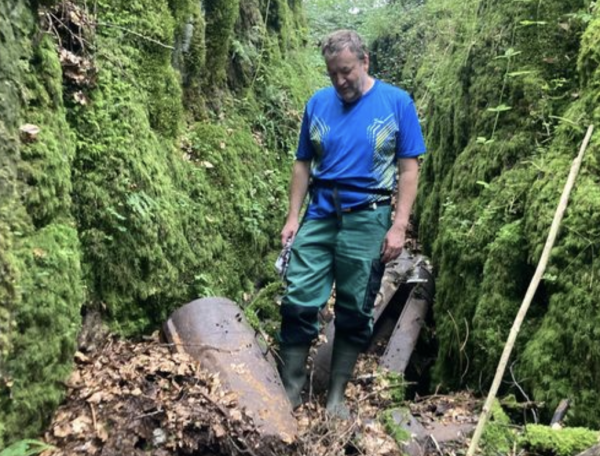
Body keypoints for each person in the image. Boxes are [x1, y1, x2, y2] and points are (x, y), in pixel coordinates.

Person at [278, 29, 426, 418]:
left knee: (355, 308)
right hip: (321, 212)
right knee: (297, 300)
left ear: (365, 61)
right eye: (332, 74)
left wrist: (399, 226)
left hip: (369, 215)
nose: (340, 81)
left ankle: (336, 397)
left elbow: (409, 169)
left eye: (345, 71)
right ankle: (290, 391)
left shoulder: (397, 103)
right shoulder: (317, 103)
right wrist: (293, 216)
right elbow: (302, 163)